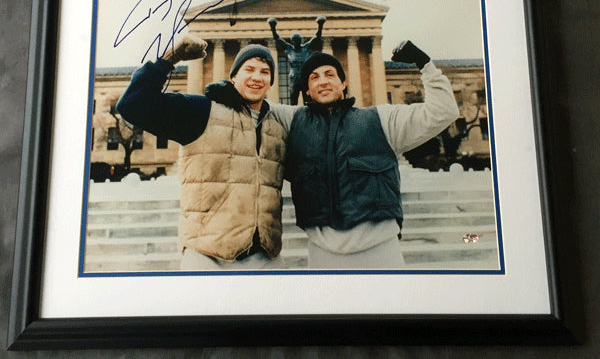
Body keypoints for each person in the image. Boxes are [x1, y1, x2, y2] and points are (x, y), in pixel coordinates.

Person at [268, 41, 459, 269]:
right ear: (307, 90)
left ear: (344, 83)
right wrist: (226, 89)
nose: (323, 81)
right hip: (323, 255)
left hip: (380, 253)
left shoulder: (380, 119)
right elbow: (253, 104)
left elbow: (443, 111)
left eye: (330, 74)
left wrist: (425, 64)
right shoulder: (294, 120)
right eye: (314, 77)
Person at [116, 35, 288, 270]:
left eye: (265, 72)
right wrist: (169, 59)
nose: (257, 77)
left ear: (271, 82)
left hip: (265, 258)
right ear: (234, 75)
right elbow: (132, 105)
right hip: (207, 258)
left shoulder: (277, 128)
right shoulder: (201, 111)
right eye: (249, 69)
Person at [268, 16, 326, 104]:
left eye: (298, 40)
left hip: (304, 77)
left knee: (307, 101)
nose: (296, 42)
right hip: (293, 78)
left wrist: (320, 25)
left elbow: (317, 37)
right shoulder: (288, 49)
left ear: (300, 41)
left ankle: (308, 116)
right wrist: (273, 27)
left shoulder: (306, 48)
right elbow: (277, 38)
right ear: (292, 41)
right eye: (294, 41)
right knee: (293, 100)